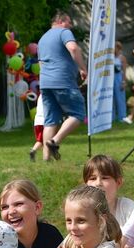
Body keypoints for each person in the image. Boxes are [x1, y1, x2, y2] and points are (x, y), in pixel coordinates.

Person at [37, 11, 87, 161]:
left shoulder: (43, 38)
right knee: (78, 113)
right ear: (60, 21)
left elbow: (40, 63)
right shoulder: (64, 32)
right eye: (69, 21)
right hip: (63, 81)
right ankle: (54, 142)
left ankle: (46, 159)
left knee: (50, 120)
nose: (71, 25)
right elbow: (73, 48)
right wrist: (83, 68)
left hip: (45, 83)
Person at [113, 41, 128, 122]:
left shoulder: (122, 58)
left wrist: (123, 82)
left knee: (120, 98)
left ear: (118, 48)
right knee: (111, 98)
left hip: (119, 77)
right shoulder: (110, 57)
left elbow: (124, 71)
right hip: (111, 78)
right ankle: (112, 117)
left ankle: (122, 116)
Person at [29, 93, 45, 161]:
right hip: (44, 121)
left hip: (37, 121)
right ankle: (33, 150)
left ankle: (46, 155)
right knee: (41, 141)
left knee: (42, 141)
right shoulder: (48, 95)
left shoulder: (40, 96)